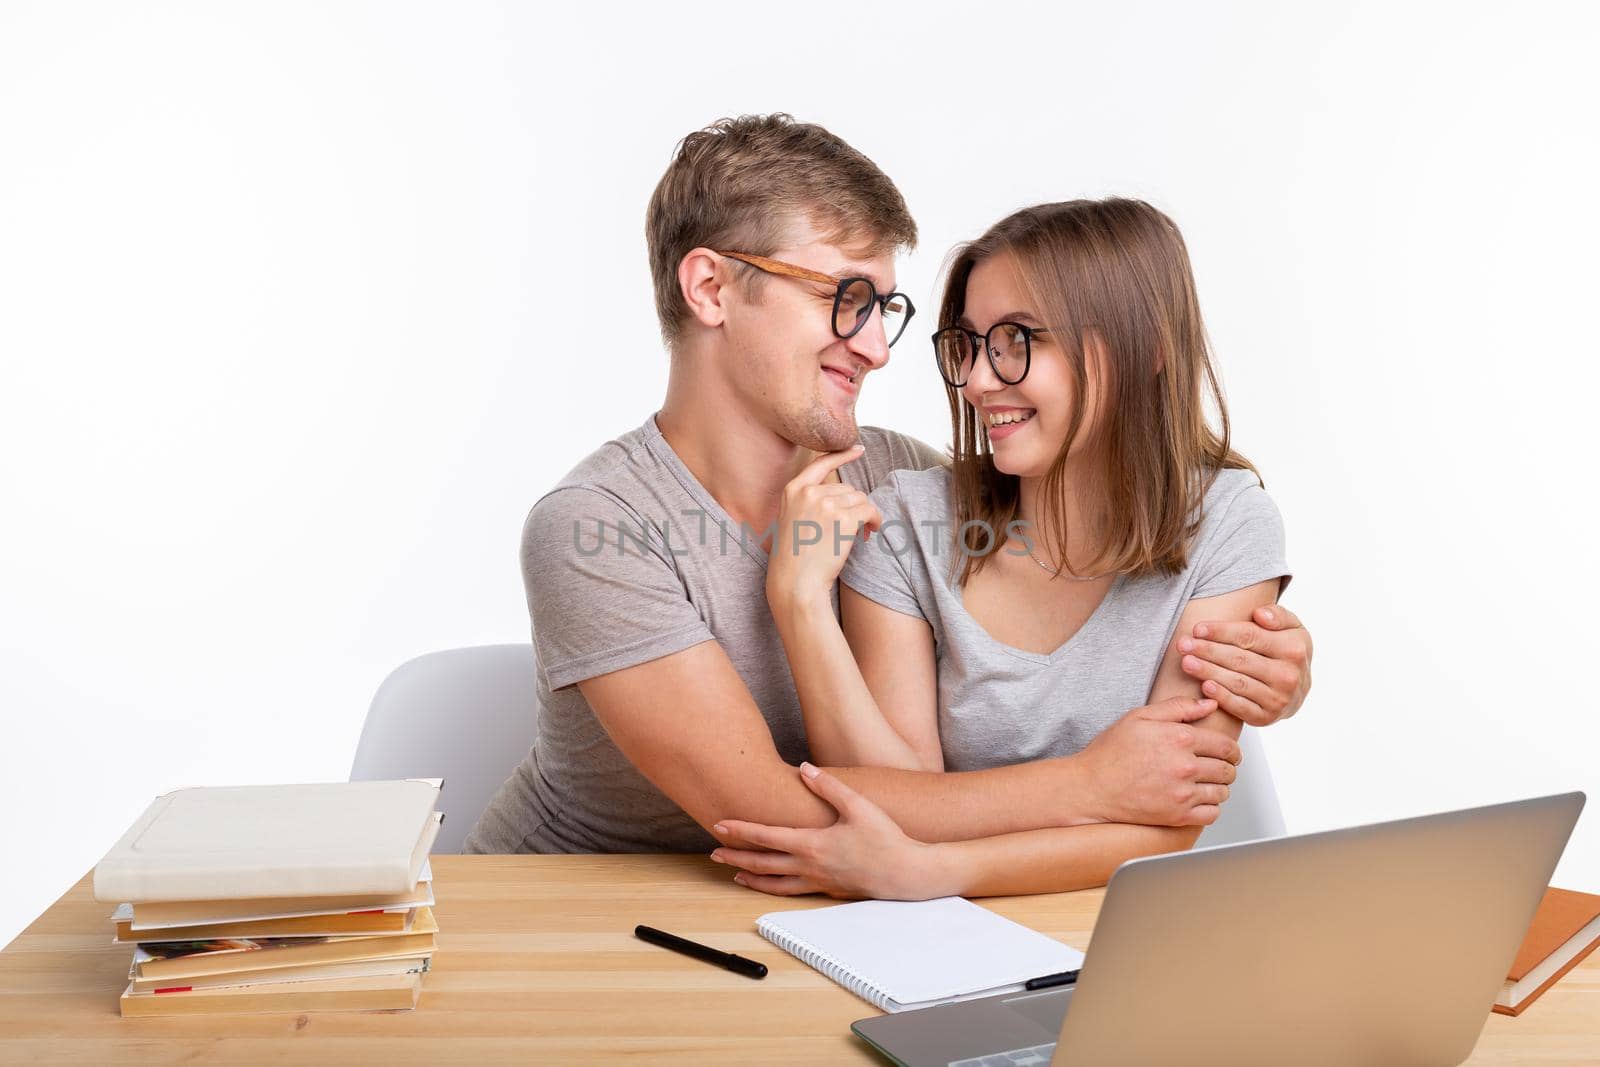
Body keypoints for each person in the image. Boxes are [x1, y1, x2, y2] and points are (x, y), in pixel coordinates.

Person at [463, 116, 1313, 860]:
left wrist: (1263, 660)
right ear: (711, 289)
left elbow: (1064, 591)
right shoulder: (596, 529)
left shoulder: (905, 485)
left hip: (812, 916)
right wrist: (1093, 783)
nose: (875, 345)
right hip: (562, 909)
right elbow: (765, 810)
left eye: (886, 308)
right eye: (845, 298)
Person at [709, 198, 1295, 900]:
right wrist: (800, 601)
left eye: (1019, 340)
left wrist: (937, 870)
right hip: (932, 938)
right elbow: (886, 797)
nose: (982, 380)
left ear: (1148, 350)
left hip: (1126, 926)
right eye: (972, 343)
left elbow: (1168, 818)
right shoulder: (906, 520)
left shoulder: (1228, 525)